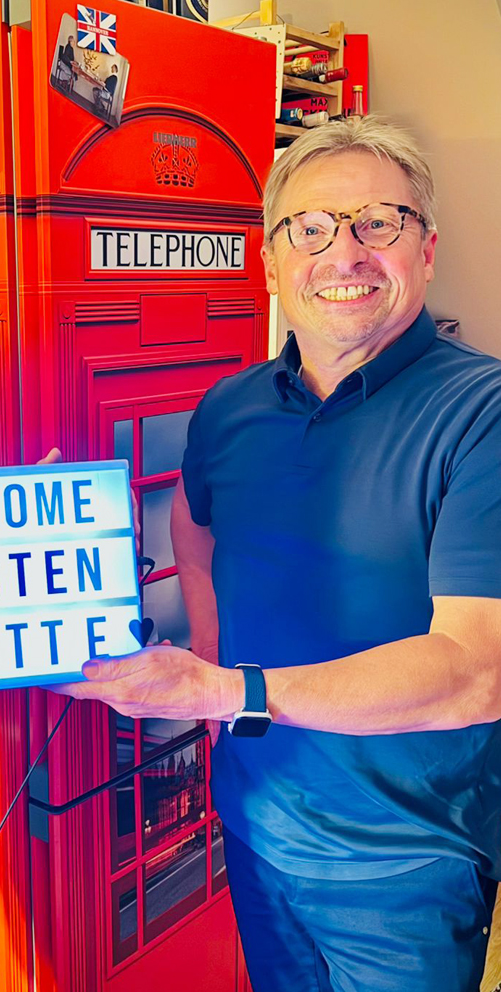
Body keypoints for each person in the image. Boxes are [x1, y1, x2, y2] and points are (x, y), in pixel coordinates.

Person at [56, 116, 501, 992]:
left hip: (405, 861)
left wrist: (225, 691)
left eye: (378, 223)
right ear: (270, 262)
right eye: (311, 228)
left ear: (426, 250)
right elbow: (194, 525)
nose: (345, 253)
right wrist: (211, 643)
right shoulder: (230, 406)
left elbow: (476, 671)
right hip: (256, 823)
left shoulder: (483, 411)